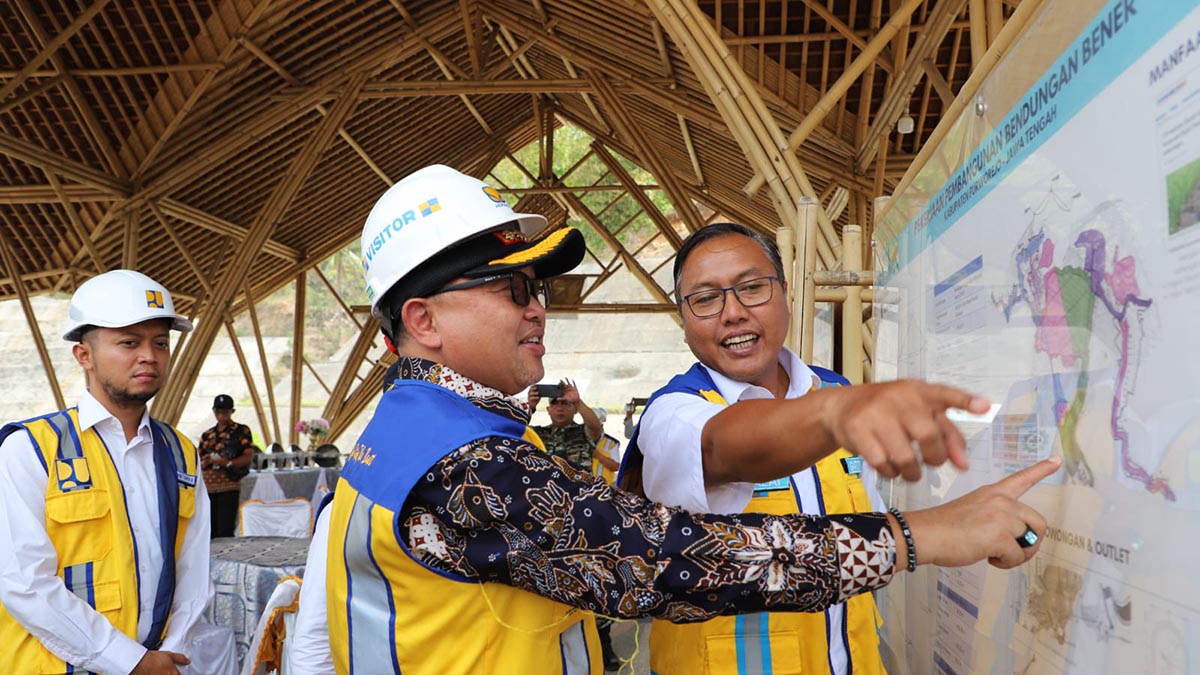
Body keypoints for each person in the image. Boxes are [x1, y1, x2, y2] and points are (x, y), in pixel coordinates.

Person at [311, 164, 1057, 675]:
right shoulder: (466, 459)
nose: (538, 306)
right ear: (423, 319)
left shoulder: (406, 434)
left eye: (540, 287)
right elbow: (670, 559)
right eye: (513, 288)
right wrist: (923, 535)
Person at [622, 222, 887, 674]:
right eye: (706, 299)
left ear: (785, 293)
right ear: (683, 320)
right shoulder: (673, 414)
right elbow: (725, 446)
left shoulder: (835, 391)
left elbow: (873, 530)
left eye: (752, 288)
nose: (733, 313)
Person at [0, 269, 211, 675]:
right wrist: (130, 662)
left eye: (161, 342)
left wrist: (172, 652)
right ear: (84, 355)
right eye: (129, 342)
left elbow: (193, 569)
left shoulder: (182, 454)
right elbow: (25, 583)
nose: (149, 355)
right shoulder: (30, 450)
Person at [527, 380, 620, 669]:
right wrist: (527, 407)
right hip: (544, 519)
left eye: (565, 403)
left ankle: (603, 643)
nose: (560, 407)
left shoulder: (583, 434)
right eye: (555, 403)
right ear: (548, 406)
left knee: (592, 577)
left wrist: (579, 403)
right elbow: (509, 428)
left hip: (581, 517)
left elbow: (595, 427)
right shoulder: (535, 433)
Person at [198, 394, 256, 538]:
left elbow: (248, 457)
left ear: (232, 411)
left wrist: (227, 463)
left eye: (225, 411)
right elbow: (198, 458)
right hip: (209, 486)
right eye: (218, 412)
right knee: (209, 529)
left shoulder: (241, 431)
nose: (221, 415)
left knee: (225, 528)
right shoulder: (208, 434)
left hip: (229, 484)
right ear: (214, 411)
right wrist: (205, 462)